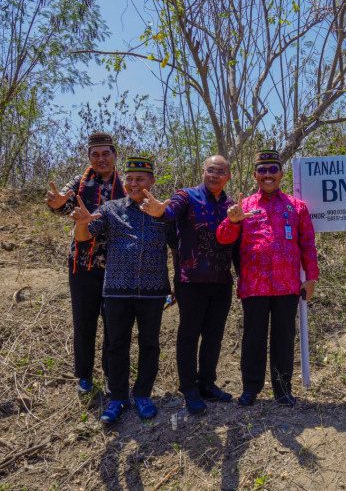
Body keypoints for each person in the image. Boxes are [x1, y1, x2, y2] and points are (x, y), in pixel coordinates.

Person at [71, 157, 171, 423]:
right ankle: (117, 398)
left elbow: (180, 245)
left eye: (140, 179)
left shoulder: (163, 211)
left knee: (149, 344)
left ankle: (143, 395)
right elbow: (84, 237)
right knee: (116, 345)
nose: (134, 183)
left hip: (153, 291)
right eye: (129, 179)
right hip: (116, 290)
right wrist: (81, 222)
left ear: (152, 181)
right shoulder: (110, 209)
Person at [216, 150, 318, 407]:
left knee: (284, 339)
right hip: (254, 285)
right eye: (262, 170)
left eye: (273, 170)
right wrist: (232, 221)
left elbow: (308, 244)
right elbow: (223, 238)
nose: (268, 175)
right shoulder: (243, 207)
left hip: (287, 285)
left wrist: (311, 278)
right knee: (253, 338)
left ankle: (283, 390)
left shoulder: (297, 207)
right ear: (255, 175)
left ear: (282, 174)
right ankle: (251, 389)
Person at [140, 155, 237, 414]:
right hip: (190, 281)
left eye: (221, 171)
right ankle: (189, 389)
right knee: (189, 335)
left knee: (214, 337)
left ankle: (207, 384)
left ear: (228, 175)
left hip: (221, 282)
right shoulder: (187, 196)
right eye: (211, 170)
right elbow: (169, 211)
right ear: (203, 172)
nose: (215, 175)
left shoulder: (231, 205)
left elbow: (239, 244)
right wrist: (160, 210)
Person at [46, 132, 126, 395]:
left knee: (113, 323)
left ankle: (110, 373)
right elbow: (62, 203)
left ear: (115, 155)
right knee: (84, 321)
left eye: (106, 153)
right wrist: (58, 204)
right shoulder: (79, 182)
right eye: (95, 154)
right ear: (89, 157)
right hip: (82, 264)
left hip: (116, 266)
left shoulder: (126, 185)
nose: (101, 158)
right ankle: (84, 375)